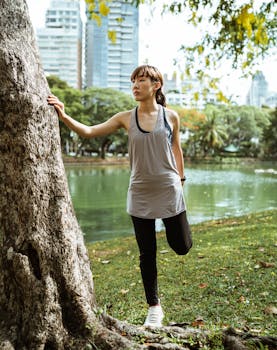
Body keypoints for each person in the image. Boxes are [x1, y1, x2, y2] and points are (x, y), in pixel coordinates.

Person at [47, 64, 192, 328]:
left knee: (182, 246)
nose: (135, 86)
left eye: (141, 80)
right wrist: (64, 116)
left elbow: (176, 149)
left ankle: (178, 237)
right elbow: (90, 131)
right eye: (133, 81)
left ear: (156, 85)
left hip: (169, 189)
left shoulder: (171, 117)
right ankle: (154, 308)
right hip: (139, 191)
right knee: (146, 253)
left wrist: (181, 180)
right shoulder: (126, 117)